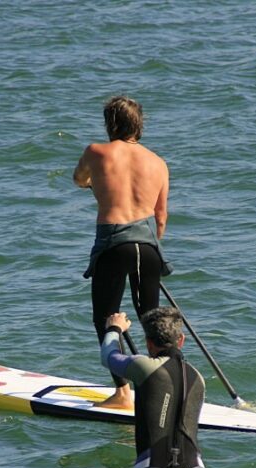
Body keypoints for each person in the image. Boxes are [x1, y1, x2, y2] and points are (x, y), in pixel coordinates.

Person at [99, 307, 228, 468]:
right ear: (181, 340)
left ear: (148, 343)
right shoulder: (198, 378)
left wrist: (115, 329)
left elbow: (108, 356)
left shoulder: (144, 366)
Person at [74, 95, 172, 409]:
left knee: (105, 319)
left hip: (113, 246)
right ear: (139, 125)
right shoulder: (158, 162)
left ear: (110, 124)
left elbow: (79, 179)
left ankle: (122, 393)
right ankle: (163, 386)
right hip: (149, 248)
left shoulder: (95, 151)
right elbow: (161, 218)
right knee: (153, 321)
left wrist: (94, 184)